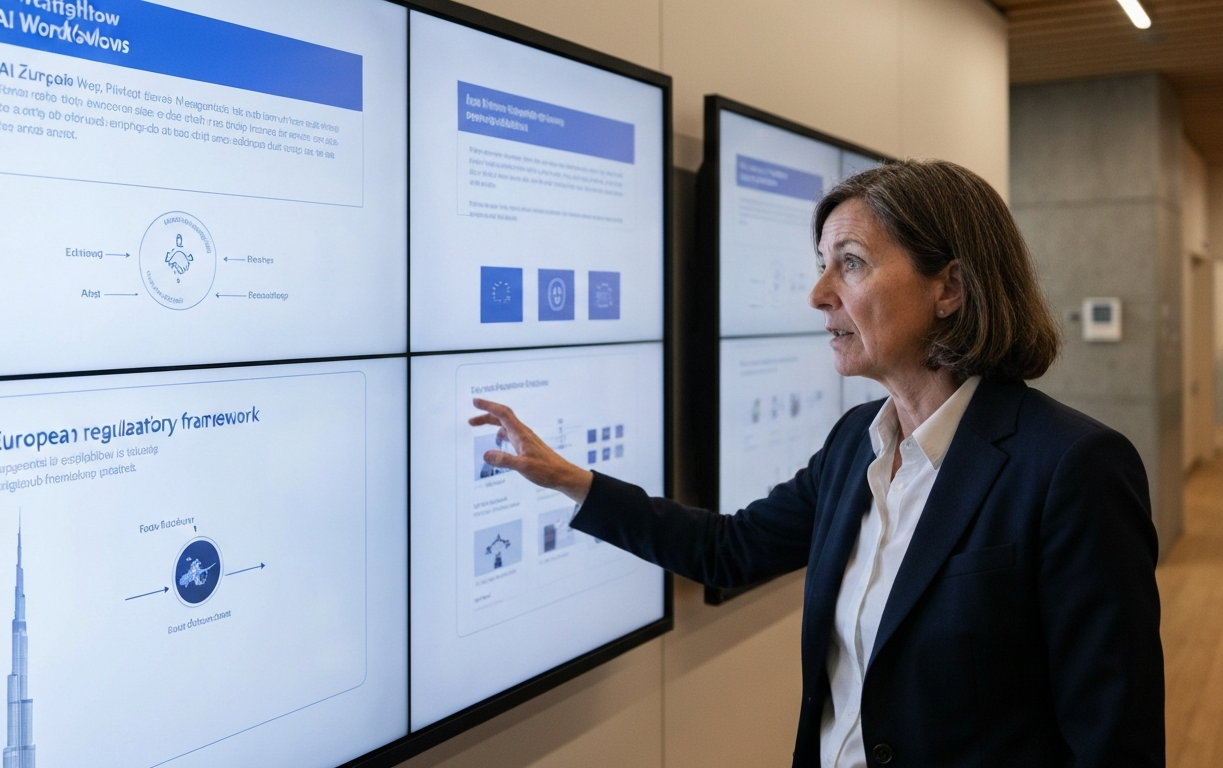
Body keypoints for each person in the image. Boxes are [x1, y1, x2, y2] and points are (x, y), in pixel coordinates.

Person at [469, 160, 1164, 767]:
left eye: (851, 263)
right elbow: (730, 550)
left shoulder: (1072, 467)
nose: (819, 293)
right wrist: (570, 480)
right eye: (821, 265)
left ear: (948, 287)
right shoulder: (854, 443)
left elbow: (1113, 739)